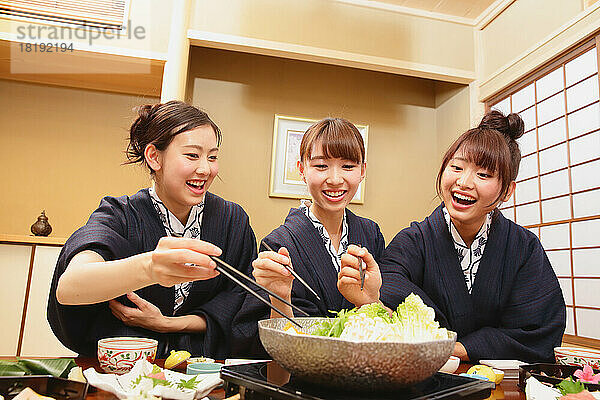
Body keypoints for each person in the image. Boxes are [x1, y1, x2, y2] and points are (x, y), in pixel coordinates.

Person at [338, 110, 566, 363]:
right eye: (456, 167)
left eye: (484, 175)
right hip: (424, 378)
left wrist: (453, 349)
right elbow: (387, 304)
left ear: (507, 190)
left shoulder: (523, 248)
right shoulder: (414, 241)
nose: (464, 182)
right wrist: (369, 299)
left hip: (501, 383)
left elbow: (536, 332)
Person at [47, 101, 257, 358]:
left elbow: (241, 303)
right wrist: (150, 268)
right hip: (126, 368)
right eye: (192, 155)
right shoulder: (119, 214)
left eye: (212, 157)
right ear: (154, 157)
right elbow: (69, 287)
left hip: (203, 367)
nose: (206, 169)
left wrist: (167, 323)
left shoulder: (232, 220)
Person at [232, 117, 385, 357]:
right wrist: (281, 297)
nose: (335, 179)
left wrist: (372, 300)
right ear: (302, 170)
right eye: (321, 166)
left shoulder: (371, 234)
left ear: (362, 170)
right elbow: (262, 341)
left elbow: (385, 320)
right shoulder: (279, 244)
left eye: (348, 166)